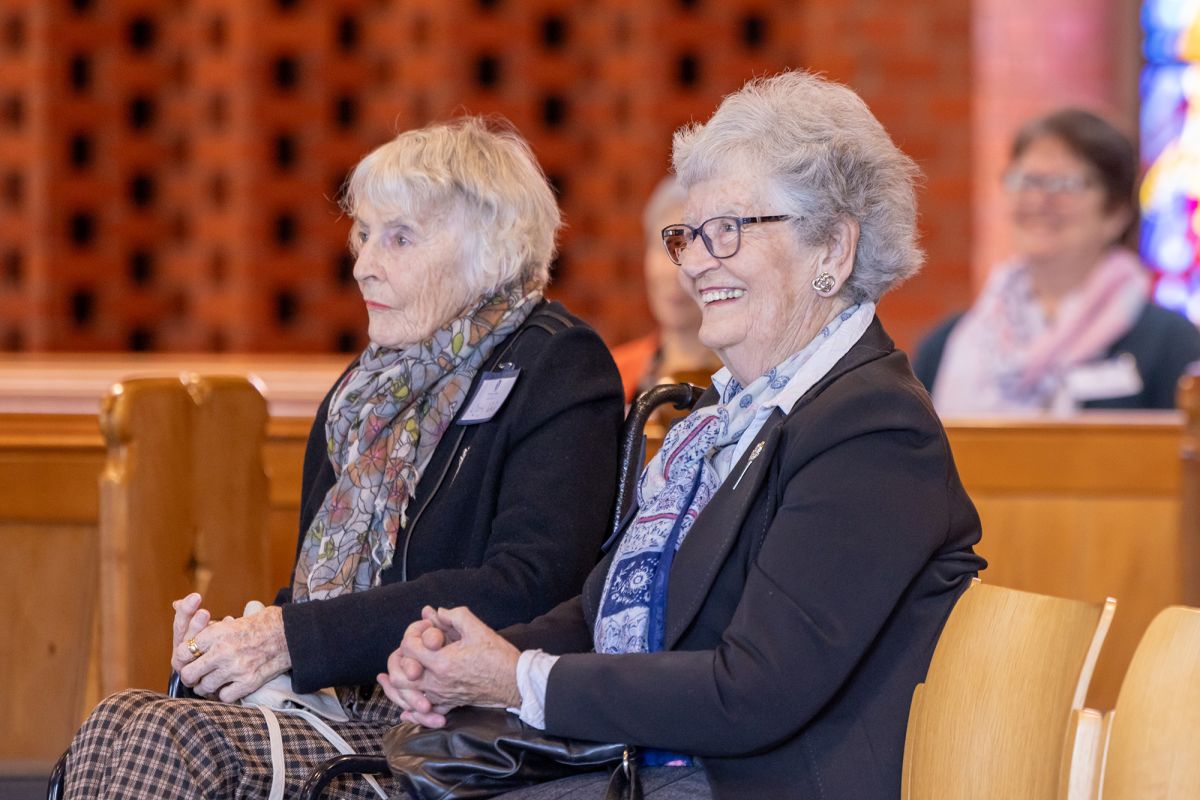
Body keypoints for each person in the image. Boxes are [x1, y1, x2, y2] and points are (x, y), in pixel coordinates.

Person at [379, 71, 985, 799]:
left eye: (729, 230)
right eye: (688, 235)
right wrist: (482, 655)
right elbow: (617, 609)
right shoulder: (726, 418)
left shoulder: (873, 427)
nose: (695, 261)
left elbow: (755, 689)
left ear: (833, 249)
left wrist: (518, 680)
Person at [61, 117, 624, 798]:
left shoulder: (557, 364)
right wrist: (232, 652)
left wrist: (289, 639)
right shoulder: (362, 395)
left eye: (400, 237)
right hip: (334, 713)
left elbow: (531, 584)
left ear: (490, 249)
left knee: (163, 737)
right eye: (364, 233)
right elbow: (318, 596)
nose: (363, 263)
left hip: (451, 731)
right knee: (117, 718)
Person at [914, 108, 1200, 413]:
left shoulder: (1170, 344)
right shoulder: (944, 346)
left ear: (1116, 212)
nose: (1039, 200)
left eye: (1066, 184)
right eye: (1026, 180)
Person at [611, 176, 721, 402]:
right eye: (665, 247)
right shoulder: (613, 372)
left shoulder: (747, 380)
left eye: (689, 249)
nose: (673, 273)